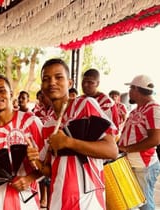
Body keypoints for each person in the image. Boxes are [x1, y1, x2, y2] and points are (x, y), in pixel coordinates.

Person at [27, 58, 118, 209]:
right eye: (46, 79)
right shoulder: (48, 125)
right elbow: (51, 171)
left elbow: (112, 151)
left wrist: (69, 142)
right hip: (58, 201)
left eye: (58, 77)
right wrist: (35, 161)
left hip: (88, 202)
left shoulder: (85, 105)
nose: (52, 82)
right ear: (42, 86)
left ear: (69, 83)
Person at [0, 74, 43, 210]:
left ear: (11, 94)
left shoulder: (30, 121)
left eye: (1, 90)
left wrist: (29, 179)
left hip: (27, 202)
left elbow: (48, 165)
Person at [118, 75, 160, 210]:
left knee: (145, 204)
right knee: (134, 203)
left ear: (136, 89)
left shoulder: (153, 108)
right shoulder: (137, 109)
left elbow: (155, 139)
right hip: (134, 165)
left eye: (130, 88)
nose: (129, 92)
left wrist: (126, 149)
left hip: (144, 166)